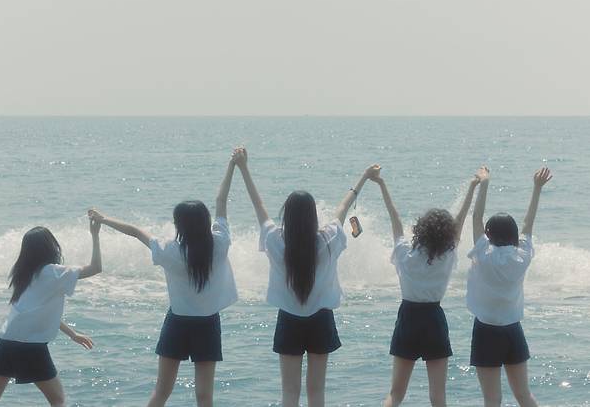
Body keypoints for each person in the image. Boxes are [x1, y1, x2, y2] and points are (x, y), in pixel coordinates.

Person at [88, 152, 238, 407]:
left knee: (161, 392)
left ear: (179, 225)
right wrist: (233, 164)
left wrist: (103, 219)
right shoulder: (220, 244)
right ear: (205, 222)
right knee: (205, 396)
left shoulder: (170, 251)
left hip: (178, 322)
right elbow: (221, 200)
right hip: (207, 323)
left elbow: (136, 232)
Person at [233, 146, 374, 407]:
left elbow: (258, 205)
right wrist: (364, 177)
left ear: (286, 215)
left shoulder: (275, 240)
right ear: (313, 215)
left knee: (289, 393)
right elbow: (343, 208)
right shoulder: (329, 239)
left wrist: (243, 167)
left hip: (289, 319)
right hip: (321, 319)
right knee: (316, 392)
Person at [367, 164, 482, 407]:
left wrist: (381, 184)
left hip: (408, 317)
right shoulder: (447, 255)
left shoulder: (405, 254)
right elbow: (460, 220)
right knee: (438, 397)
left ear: (420, 230)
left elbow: (394, 217)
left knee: (396, 394)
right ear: (446, 235)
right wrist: (473, 186)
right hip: (433, 318)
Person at [0, 219, 102, 407]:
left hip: (6, 341)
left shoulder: (23, 273)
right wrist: (95, 234)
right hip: (31, 346)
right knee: (58, 400)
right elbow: (96, 268)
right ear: (51, 248)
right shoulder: (54, 272)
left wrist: (72, 334)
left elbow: (37, 312)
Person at [467, 166, 552, 407]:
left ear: (489, 234)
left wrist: (484, 183)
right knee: (524, 395)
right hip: (513, 330)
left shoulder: (484, 255)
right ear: (514, 235)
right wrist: (537, 188)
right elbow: (528, 222)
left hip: (486, 331)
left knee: (492, 399)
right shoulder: (522, 256)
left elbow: (476, 217)